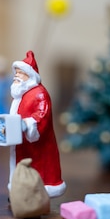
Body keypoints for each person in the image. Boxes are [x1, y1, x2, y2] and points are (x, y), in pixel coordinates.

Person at [8, 51, 66, 198]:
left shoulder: (39, 93)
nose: (16, 76)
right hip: (21, 142)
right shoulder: (21, 93)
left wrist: (26, 124)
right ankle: (19, 191)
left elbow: (42, 115)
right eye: (16, 72)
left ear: (30, 75)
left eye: (20, 73)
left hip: (36, 145)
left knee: (37, 168)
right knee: (21, 166)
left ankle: (35, 195)